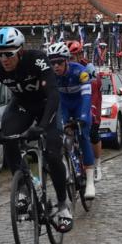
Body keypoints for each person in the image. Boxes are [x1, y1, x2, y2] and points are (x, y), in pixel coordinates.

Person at [0, 27, 73, 233]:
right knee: (8, 137)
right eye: (0, 53)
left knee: (52, 153)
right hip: (21, 106)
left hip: (46, 105)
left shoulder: (37, 60)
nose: (4, 58)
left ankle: (63, 206)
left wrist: (41, 127)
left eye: (9, 54)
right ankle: (23, 189)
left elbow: (53, 94)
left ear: (20, 50)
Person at [47, 42, 96, 198]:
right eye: (52, 63)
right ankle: (68, 168)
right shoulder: (50, 76)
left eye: (59, 62)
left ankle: (89, 182)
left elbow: (87, 96)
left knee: (83, 136)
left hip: (81, 104)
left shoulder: (80, 72)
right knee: (60, 136)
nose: (56, 66)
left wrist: (82, 118)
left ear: (67, 60)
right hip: (64, 106)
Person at [66, 40, 103, 181]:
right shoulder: (64, 69)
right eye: (68, 57)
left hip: (92, 99)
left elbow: (93, 92)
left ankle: (98, 165)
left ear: (80, 55)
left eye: (73, 56)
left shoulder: (88, 68)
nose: (70, 60)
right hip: (74, 102)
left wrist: (91, 110)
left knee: (93, 132)